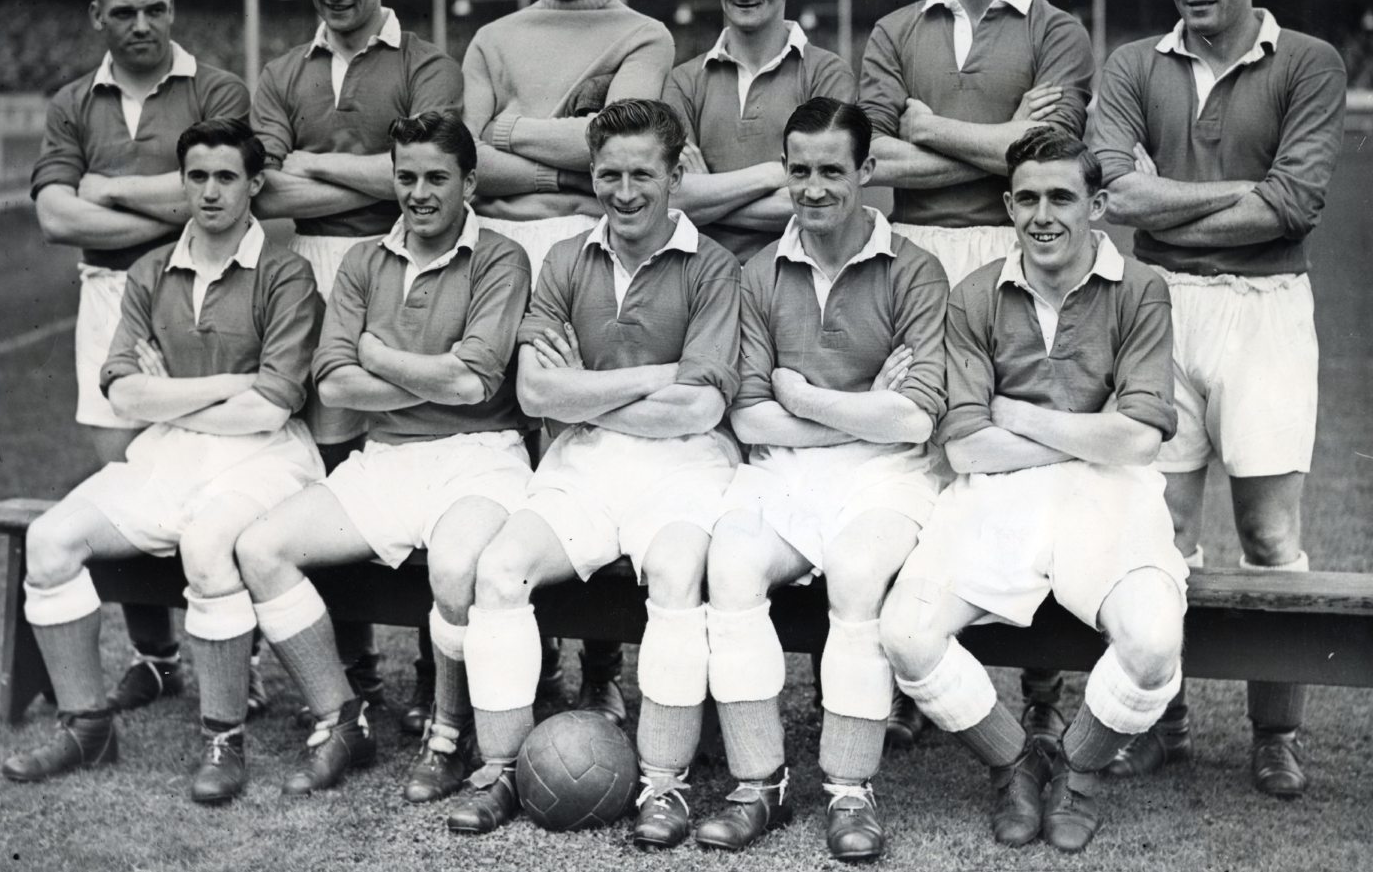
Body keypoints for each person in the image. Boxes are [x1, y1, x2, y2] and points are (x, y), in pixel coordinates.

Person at [1088, 0, 1347, 797]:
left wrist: (1173, 195)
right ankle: (1166, 722)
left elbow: (1293, 206)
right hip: (1159, 305)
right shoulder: (1132, 64)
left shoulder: (1309, 61)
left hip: (1268, 307)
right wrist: (1237, 191)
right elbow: (1115, 199)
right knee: (1160, 532)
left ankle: (1277, 733)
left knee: (1271, 535)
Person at [880, 127, 1187, 853]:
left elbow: (1140, 436)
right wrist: (1086, 423)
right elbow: (964, 444)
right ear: (1007, 205)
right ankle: (1015, 761)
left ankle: (1079, 771)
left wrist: (1018, 414)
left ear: (1099, 205)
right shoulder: (975, 294)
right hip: (996, 493)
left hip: (1111, 491)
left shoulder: (1141, 287)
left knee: (1152, 641)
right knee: (907, 633)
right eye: (1027, 199)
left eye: (1062, 197)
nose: (1043, 215)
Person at [2, 118, 324, 804]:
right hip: (169, 454)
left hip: (264, 458)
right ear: (182, 184)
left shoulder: (286, 273)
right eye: (197, 177)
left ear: (255, 183)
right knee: (49, 539)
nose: (209, 191)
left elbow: (271, 406)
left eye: (226, 177)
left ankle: (222, 736)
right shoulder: (151, 269)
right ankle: (87, 722)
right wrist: (224, 384)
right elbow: (121, 385)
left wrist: (168, 395)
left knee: (209, 545)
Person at [446, 99, 740, 847]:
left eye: (643, 173)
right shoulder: (564, 258)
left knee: (677, 574)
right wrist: (660, 374)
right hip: (584, 463)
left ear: (677, 174)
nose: (625, 190)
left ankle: (664, 783)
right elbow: (538, 392)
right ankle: (502, 766)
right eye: (609, 173)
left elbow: (701, 410)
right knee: (499, 568)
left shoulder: (714, 266)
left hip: (685, 468)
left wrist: (591, 392)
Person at [857, 0, 1095, 741]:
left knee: (1023, 451)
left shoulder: (1058, 31)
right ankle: (910, 682)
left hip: (1019, 254)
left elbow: (1046, 159)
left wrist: (930, 125)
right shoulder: (892, 30)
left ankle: (1040, 685)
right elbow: (873, 161)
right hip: (915, 256)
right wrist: (995, 141)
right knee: (918, 454)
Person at [233, 112, 533, 801]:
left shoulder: (501, 256)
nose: (419, 192)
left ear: (470, 181)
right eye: (406, 176)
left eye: (436, 177)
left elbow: (475, 383)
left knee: (457, 566)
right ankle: (341, 718)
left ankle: (448, 734)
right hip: (385, 456)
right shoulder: (365, 260)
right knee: (261, 548)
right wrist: (416, 371)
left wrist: (376, 353)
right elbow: (333, 382)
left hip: (481, 454)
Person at [693, 99, 947, 862]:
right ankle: (758, 781)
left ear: (867, 171)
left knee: (859, 572)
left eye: (833, 170)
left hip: (889, 475)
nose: (814, 188)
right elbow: (749, 419)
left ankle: (848, 787)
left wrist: (801, 396)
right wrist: (867, 402)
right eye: (798, 170)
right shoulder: (759, 271)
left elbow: (917, 421)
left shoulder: (916, 268)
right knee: (730, 562)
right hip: (786, 469)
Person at [461, 0, 676, 720]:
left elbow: (619, 153)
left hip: (595, 246)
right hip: (503, 248)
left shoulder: (643, 34)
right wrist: (552, 146)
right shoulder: (494, 37)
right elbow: (468, 161)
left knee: (591, 439)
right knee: (513, 440)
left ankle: (602, 662)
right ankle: (529, 650)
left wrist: (512, 129)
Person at [252, 0, 464, 723]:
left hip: (405, 263)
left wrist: (318, 163)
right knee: (333, 465)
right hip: (311, 267)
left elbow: (429, 176)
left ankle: (431, 661)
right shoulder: (282, 72)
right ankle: (353, 659)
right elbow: (270, 187)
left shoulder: (426, 63)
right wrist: (369, 170)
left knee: (417, 443)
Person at [29, 0, 251, 714]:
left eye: (156, 8)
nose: (143, 24)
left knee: (212, 475)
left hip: (196, 291)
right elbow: (56, 215)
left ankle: (235, 666)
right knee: (125, 481)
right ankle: (156, 656)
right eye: (124, 12)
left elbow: (213, 198)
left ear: (172, 8)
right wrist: (162, 202)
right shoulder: (71, 102)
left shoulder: (215, 88)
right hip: (105, 296)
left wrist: (110, 187)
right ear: (98, 17)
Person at [663, 0, 856, 264]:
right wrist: (773, 174)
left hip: (797, 277)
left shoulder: (826, 74)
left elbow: (819, 198)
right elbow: (671, 198)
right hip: (701, 279)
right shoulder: (684, 81)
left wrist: (710, 194)